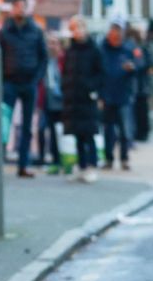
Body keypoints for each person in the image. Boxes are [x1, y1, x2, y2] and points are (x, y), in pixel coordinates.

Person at [0, 0, 47, 178]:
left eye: (22, 6)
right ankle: (0, 161)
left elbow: (43, 57)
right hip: (10, 82)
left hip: (29, 83)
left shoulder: (35, 30)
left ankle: (23, 164)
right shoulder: (5, 31)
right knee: (4, 124)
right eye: (17, 6)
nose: (20, 10)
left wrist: (36, 79)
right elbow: (0, 55)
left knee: (27, 126)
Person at [62, 16, 103, 183]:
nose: (78, 31)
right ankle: (82, 166)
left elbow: (100, 72)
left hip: (87, 97)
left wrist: (93, 89)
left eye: (80, 27)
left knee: (89, 134)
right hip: (73, 98)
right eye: (74, 28)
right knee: (77, 134)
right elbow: (66, 71)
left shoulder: (93, 49)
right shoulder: (70, 49)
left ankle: (92, 166)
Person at [98, 20, 137, 172]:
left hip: (124, 94)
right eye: (113, 35)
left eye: (118, 35)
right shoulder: (102, 50)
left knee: (124, 129)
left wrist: (132, 69)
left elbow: (139, 65)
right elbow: (98, 72)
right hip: (107, 94)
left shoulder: (128, 49)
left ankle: (124, 158)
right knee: (108, 129)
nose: (115, 38)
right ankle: (109, 158)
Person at [38, 33, 65, 174]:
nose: (51, 46)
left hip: (60, 101)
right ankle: (42, 158)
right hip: (45, 100)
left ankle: (57, 159)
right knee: (41, 129)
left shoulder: (63, 60)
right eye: (49, 42)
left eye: (54, 42)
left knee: (56, 131)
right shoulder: (44, 60)